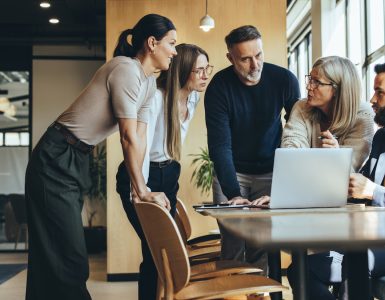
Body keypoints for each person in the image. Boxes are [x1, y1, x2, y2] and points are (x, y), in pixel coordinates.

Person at [24, 14, 177, 300]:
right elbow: (128, 137)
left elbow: (140, 138)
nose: (175, 51)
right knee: (67, 257)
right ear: (152, 43)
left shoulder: (147, 85)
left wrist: (140, 188)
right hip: (56, 156)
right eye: (172, 43)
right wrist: (141, 190)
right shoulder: (126, 70)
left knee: (57, 253)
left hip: (76, 158)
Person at [116, 43, 212, 300]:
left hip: (169, 173)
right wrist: (141, 189)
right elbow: (141, 146)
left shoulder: (193, 96)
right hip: (143, 173)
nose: (205, 76)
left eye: (207, 69)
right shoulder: (156, 98)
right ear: (182, 72)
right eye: (199, 71)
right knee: (155, 249)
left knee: (164, 251)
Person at [204, 25, 300, 272]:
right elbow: (220, 146)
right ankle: (232, 295)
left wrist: (290, 182)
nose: (254, 65)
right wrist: (234, 193)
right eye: (245, 59)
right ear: (230, 58)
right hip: (232, 170)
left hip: (270, 171)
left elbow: (299, 131)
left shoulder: (284, 80)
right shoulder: (219, 87)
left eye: (258, 55)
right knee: (232, 243)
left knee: (261, 244)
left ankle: (258, 294)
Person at [284, 58, 379, 300]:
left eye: (317, 82)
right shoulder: (302, 108)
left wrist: (336, 159)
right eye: (310, 79)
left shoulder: (363, 117)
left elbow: (349, 180)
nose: (309, 86)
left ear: (336, 88)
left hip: (360, 229)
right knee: (300, 269)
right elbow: (291, 158)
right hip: (339, 222)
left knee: (344, 265)